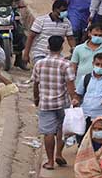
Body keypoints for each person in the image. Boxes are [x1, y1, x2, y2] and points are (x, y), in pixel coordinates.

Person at [33, 36, 79, 170]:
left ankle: (50, 161)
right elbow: (70, 84)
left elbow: (36, 84)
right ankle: (59, 153)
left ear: (48, 47)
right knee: (61, 129)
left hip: (45, 103)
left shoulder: (39, 64)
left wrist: (36, 98)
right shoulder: (66, 64)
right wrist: (74, 99)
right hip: (62, 103)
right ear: (61, 47)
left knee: (48, 133)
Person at [23, 0, 76, 65]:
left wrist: (74, 49)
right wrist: (26, 54)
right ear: (55, 10)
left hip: (57, 55)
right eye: (62, 11)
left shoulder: (67, 23)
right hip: (40, 54)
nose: (64, 13)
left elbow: (70, 38)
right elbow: (31, 37)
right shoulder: (41, 20)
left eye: (65, 11)